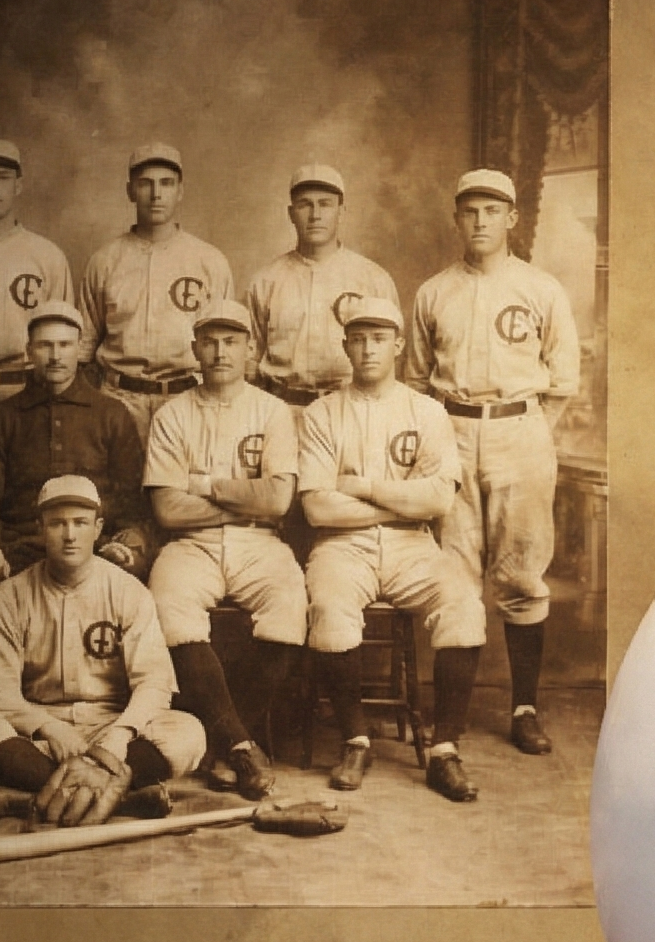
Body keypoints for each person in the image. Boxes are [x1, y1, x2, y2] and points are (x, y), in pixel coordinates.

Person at [405, 167, 578, 758]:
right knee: (453, 574)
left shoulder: (541, 288)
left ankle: (524, 707)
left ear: (511, 218)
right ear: (457, 219)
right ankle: (449, 721)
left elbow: (563, 381)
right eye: (469, 211)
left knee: (522, 574)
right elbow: (417, 381)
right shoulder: (434, 291)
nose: (479, 222)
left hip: (520, 432)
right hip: (450, 430)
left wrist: (527, 433)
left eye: (491, 211)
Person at [299, 296, 486, 804]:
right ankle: (355, 739)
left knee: (464, 605)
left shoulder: (426, 411)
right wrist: (401, 502)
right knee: (331, 609)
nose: (367, 349)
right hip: (342, 546)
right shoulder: (321, 413)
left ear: (399, 345)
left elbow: (439, 500)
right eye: (357, 339)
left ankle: (444, 749)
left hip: (413, 546)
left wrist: (360, 487)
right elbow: (318, 510)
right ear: (345, 346)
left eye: (378, 338)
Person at [0, 475, 206, 822]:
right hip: (37, 733)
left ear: (98, 529)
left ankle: (39, 795)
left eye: (80, 523)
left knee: (188, 733)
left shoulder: (128, 591)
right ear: (40, 528)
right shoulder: (12, 595)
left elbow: (154, 684)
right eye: (57, 524)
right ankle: (117, 795)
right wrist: (50, 729)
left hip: (108, 726)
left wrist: (117, 738)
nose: (69, 535)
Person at [144, 298, 305, 799]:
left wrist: (205, 484)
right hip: (189, 544)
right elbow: (168, 511)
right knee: (168, 608)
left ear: (249, 349)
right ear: (194, 348)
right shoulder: (172, 414)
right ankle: (241, 745)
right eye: (210, 341)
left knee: (289, 606)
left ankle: (224, 745)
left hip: (260, 540)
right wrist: (242, 496)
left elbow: (278, 501)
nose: (219, 351)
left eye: (231, 341)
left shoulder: (272, 411)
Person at [0, 301, 150, 600]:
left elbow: (131, 500)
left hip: (94, 552)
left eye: (65, 345)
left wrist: (125, 545)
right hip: (16, 555)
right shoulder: (3, 417)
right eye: (45, 345)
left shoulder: (111, 414)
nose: (55, 356)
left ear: (80, 349)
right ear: (29, 351)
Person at [79, 143, 234, 438]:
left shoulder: (209, 261)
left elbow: (227, 345)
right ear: (130, 191)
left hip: (187, 396)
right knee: (120, 484)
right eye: (145, 184)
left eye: (166, 183)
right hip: (119, 397)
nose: (156, 194)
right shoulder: (105, 260)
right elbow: (84, 347)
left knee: (187, 483)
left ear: (180, 191)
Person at [245, 163, 400, 411]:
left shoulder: (373, 278)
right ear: (291, 213)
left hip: (351, 409)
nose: (315, 215)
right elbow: (249, 361)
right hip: (283, 408)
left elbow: (392, 361)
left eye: (325, 204)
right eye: (305, 204)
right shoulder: (266, 281)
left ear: (341, 211)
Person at [0, 138, 73, 438]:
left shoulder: (46, 254)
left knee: (26, 478)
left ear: (18, 186)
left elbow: (65, 336)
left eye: (3, 178)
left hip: (28, 386)